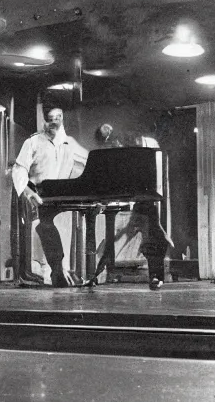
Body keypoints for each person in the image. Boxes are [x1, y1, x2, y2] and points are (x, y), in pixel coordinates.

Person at [94, 123, 173, 290]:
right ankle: (154, 276)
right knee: (150, 237)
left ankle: (155, 276)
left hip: (149, 199)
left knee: (151, 238)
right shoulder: (127, 150)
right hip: (142, 200)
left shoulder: (146, 145)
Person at [12, 107, 84, 288]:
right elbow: (19, 170)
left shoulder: (69, 143)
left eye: (58, 117)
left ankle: (64, 271)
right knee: (45, 228)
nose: (54, 122)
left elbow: (88, 161)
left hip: (62, 199)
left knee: (66, 228)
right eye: (50, 118)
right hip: (39, 197)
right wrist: (29, 193)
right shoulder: (33, 142)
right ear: (44, 120)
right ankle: (55, 271)